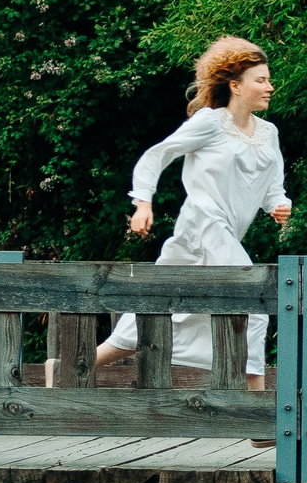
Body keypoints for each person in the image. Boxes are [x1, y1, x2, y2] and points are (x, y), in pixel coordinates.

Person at [84, 35, 292, 389]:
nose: (269, 87)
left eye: (268, 80)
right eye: (261, 80)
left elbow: (273, 185)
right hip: (203, 225)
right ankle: (256, 403)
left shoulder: (268, 133)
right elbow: (157, 155)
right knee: (252, 300)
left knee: (156, 309)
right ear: (235, 85)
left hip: (220, 236)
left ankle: (66, 367)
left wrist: (278, 205)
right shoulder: (210, 123)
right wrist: (143, 203)